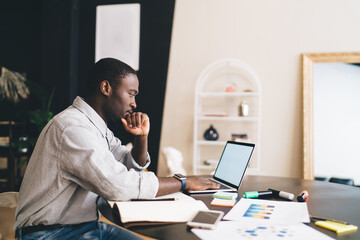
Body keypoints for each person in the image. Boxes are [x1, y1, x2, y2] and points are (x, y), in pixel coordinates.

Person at [14, 58, 219, 239]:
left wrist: (141, 137)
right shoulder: (72, 128)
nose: (134, 103)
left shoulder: (95, 126)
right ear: (106, 88)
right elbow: (119, 186)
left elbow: (129, 165)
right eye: (131, 94)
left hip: (84, 228)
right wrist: (182, 182)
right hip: (48, 234)